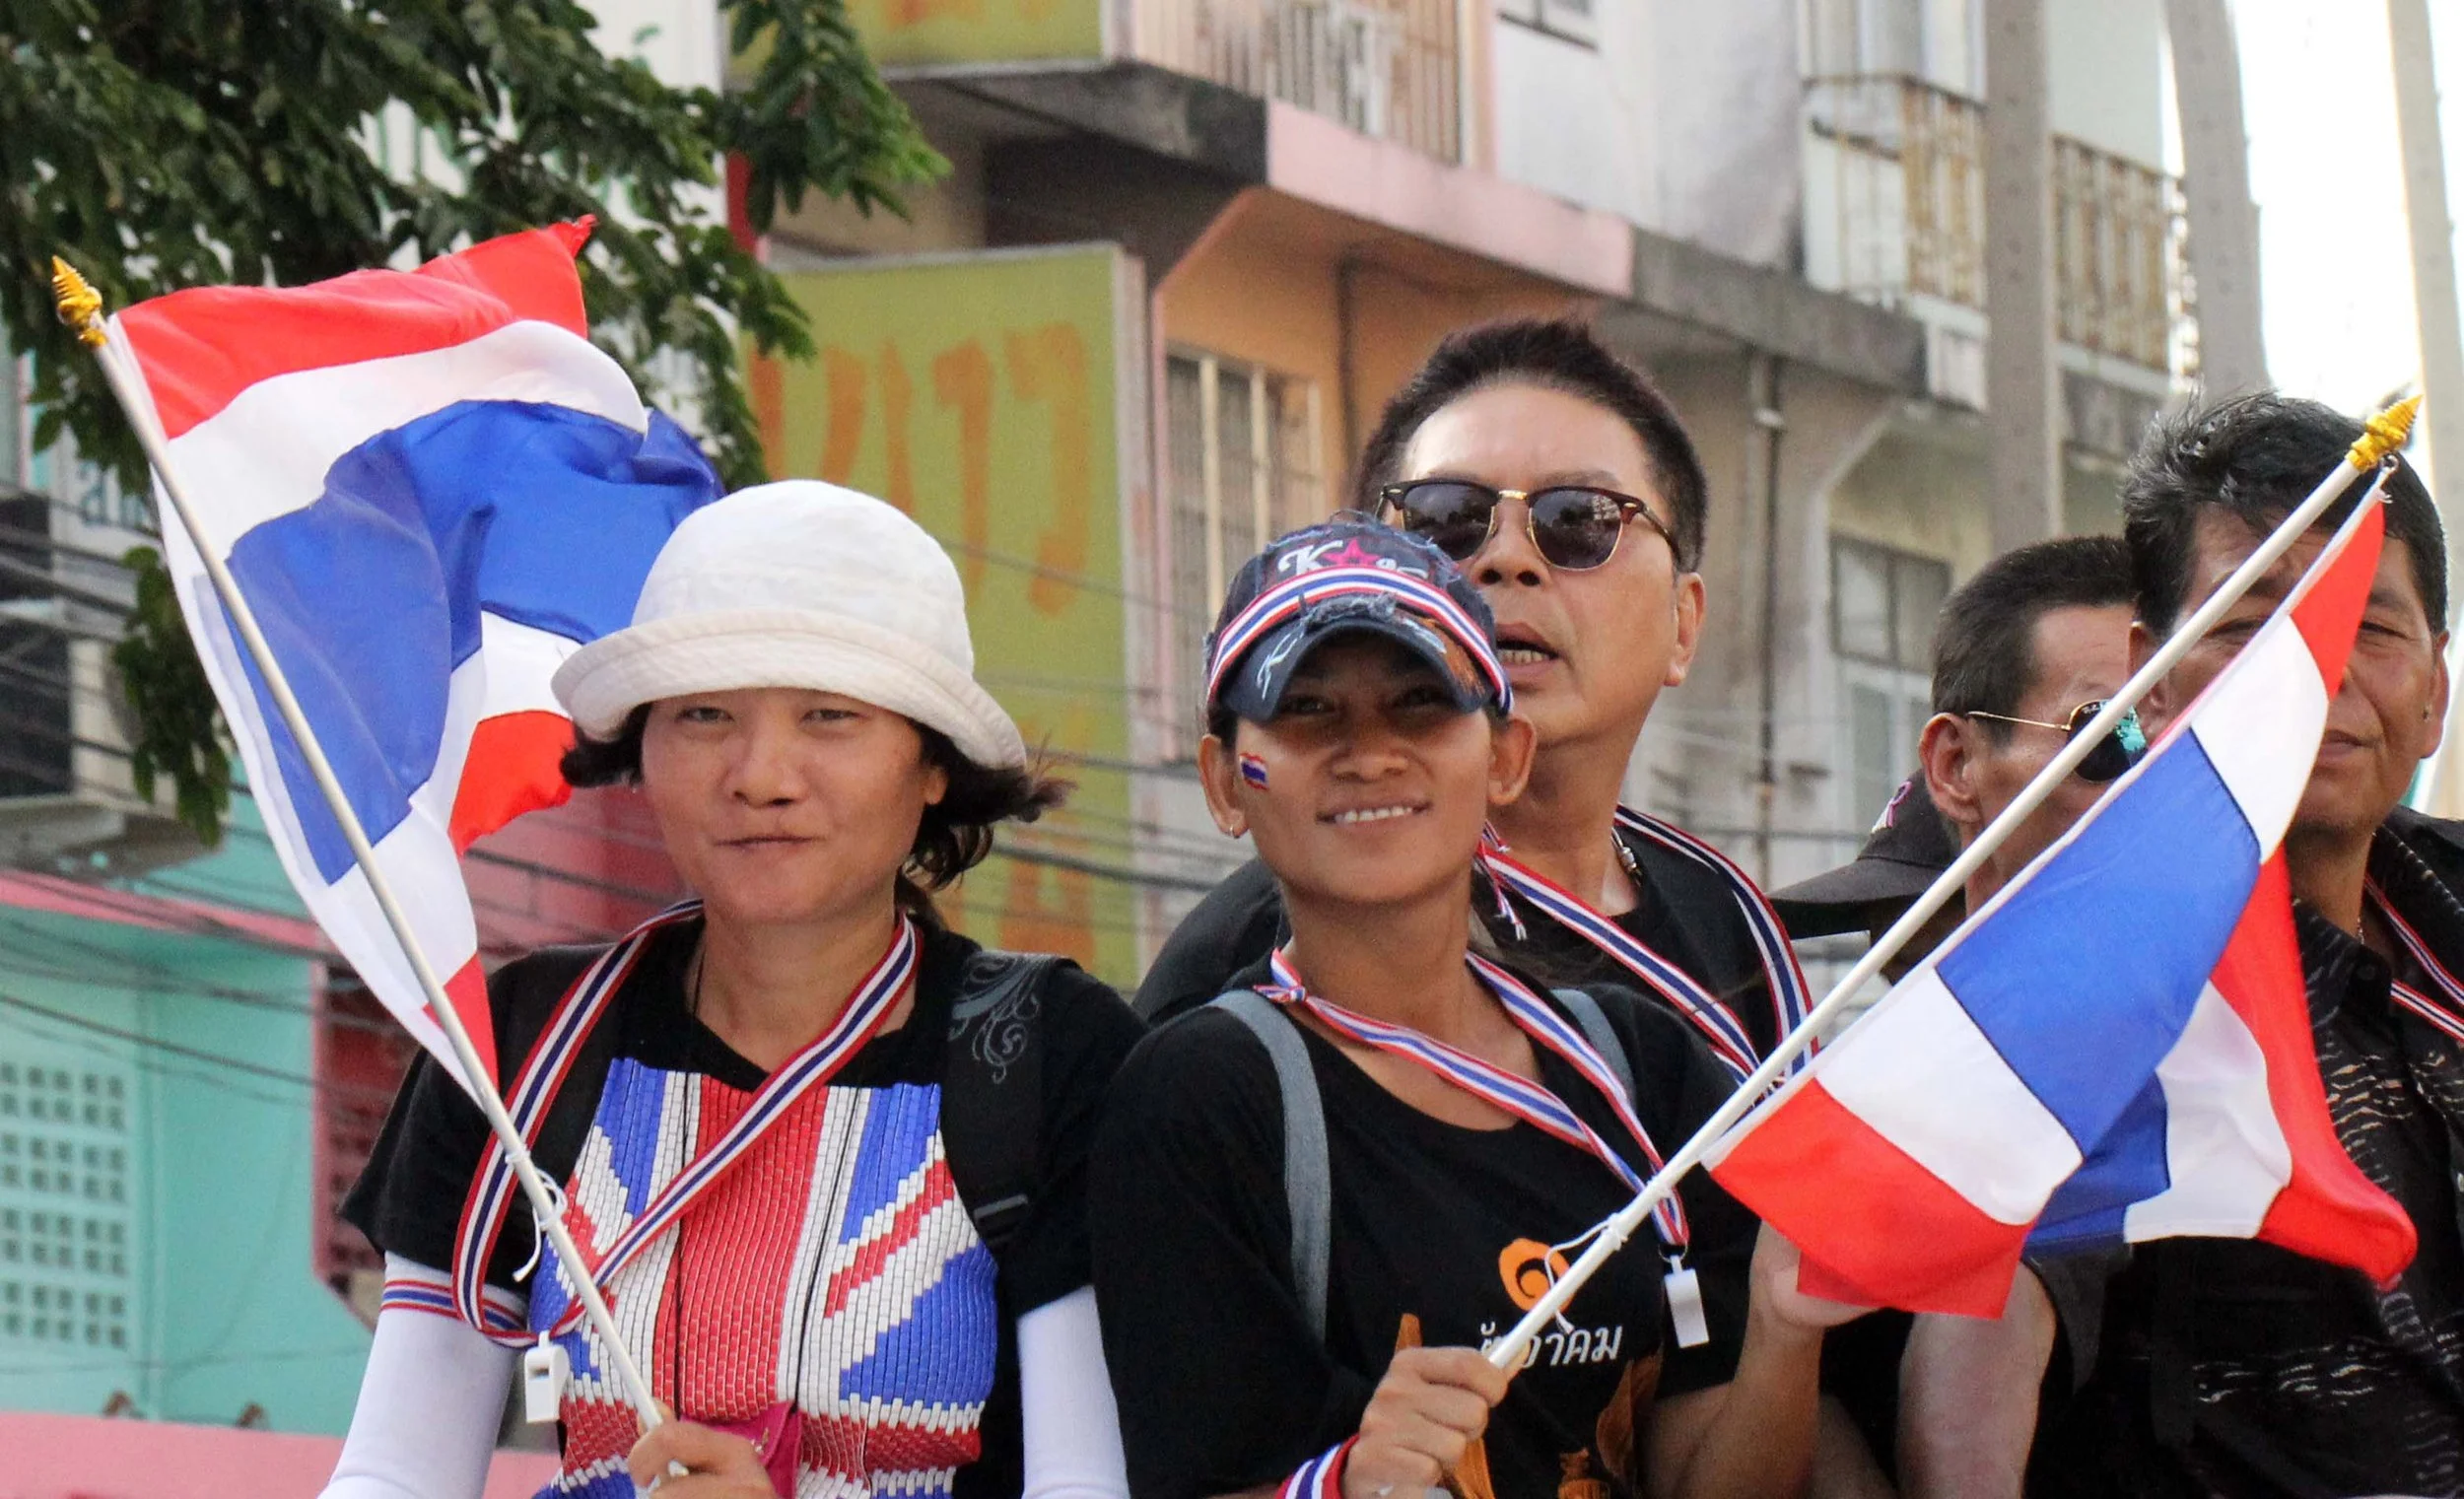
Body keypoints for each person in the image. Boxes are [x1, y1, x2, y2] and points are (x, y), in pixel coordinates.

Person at [320, 482, 1143, 1499]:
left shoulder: (1047, 1054)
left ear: (933, 766)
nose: (761, 775)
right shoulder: (522, 1046)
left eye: (829, 716)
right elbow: (399, 1474)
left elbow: (1089, 1484)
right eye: (705, 714)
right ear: (644, 753)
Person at [1093, 519, 1864, 1499]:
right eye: (1307, 712)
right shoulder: (1197, 1101)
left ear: (1503, 756)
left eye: (1421, 705)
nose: (1368, 755)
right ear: (1223, 782)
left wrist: (1783, 1335)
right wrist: (1344, 1483)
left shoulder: (1639, 1069)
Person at [1945, 393, 2464, 1499]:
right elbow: (1986, 1319)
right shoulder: (2085, 986)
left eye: (2365, 628)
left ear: (2435, 693)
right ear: (2152, 672)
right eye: (2247, 622)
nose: (2316, 672)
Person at [1140, 318, 1808, 1082]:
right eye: (1448, 519)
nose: (1508, 559)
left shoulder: (1726, 915)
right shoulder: (1271, 949)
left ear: (1683, 623)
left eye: (1578, 520)